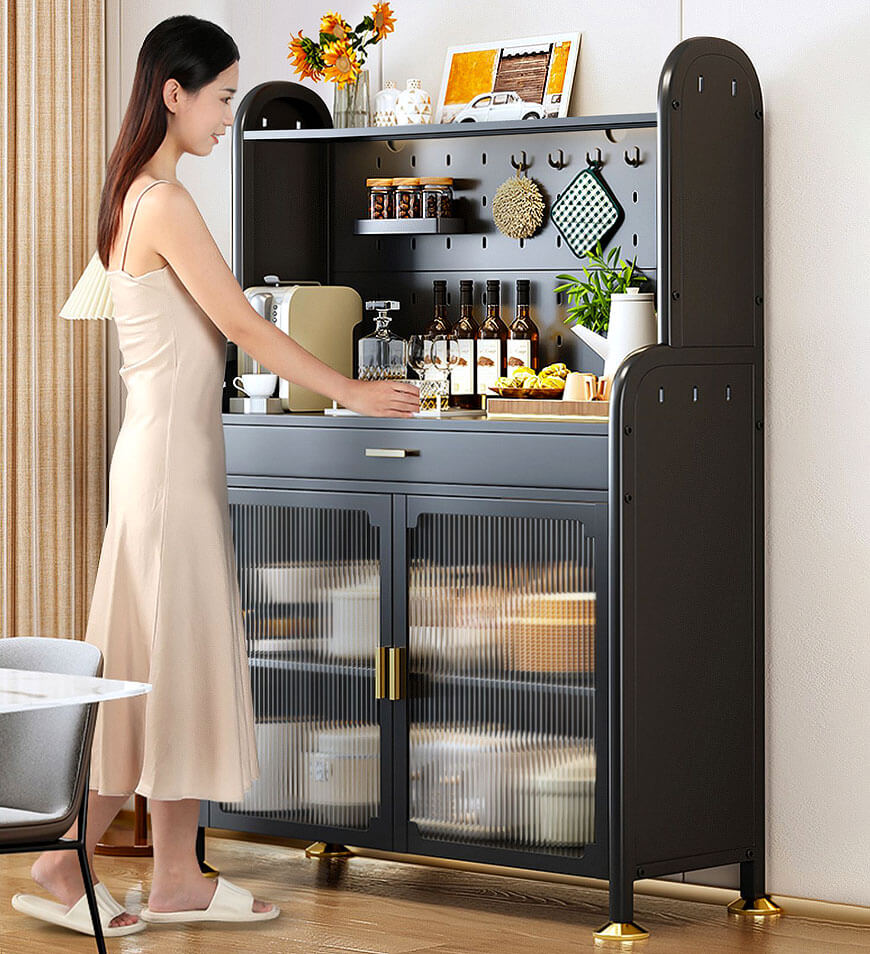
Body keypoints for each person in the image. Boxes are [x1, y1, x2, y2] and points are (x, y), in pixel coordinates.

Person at [19, 14, 418, 937]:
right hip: (169, 472)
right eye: (226, 98)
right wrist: (351, 392)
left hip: (163, 461)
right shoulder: (163, 204)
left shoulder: (129, 199)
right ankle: (68, 854)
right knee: (167, 662)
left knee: (162, 666)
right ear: (174, 93)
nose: (230, 117)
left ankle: (167, 876)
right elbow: (243, 325)